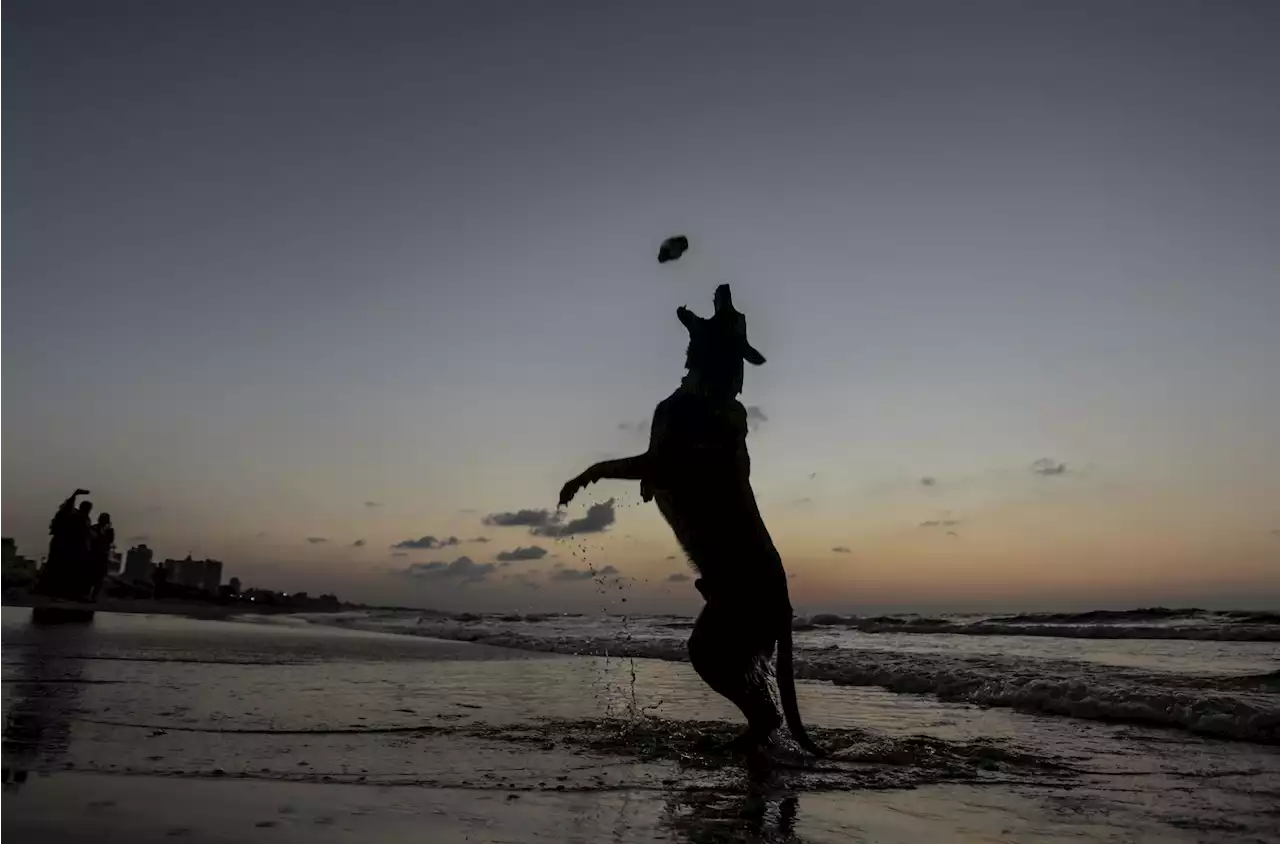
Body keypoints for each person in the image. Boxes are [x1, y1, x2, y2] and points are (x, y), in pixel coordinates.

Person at [36, 489, 93, 599]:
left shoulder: (85, 518)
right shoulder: (74, 515)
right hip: (65, 545)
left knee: (71, 571)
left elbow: (86, 534)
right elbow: (67, 509)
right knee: (57, 568)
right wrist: (75, 495)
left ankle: (68, 592)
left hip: (76, 548)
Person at [87, 513, 115, 601]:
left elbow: (110, 540)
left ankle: (94, 596)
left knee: (100, 577)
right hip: (95, 554)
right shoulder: (94, 528)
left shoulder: (108, 530)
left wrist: (110, 530)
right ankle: (88, 594)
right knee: (91, 576)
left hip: (103, 555)